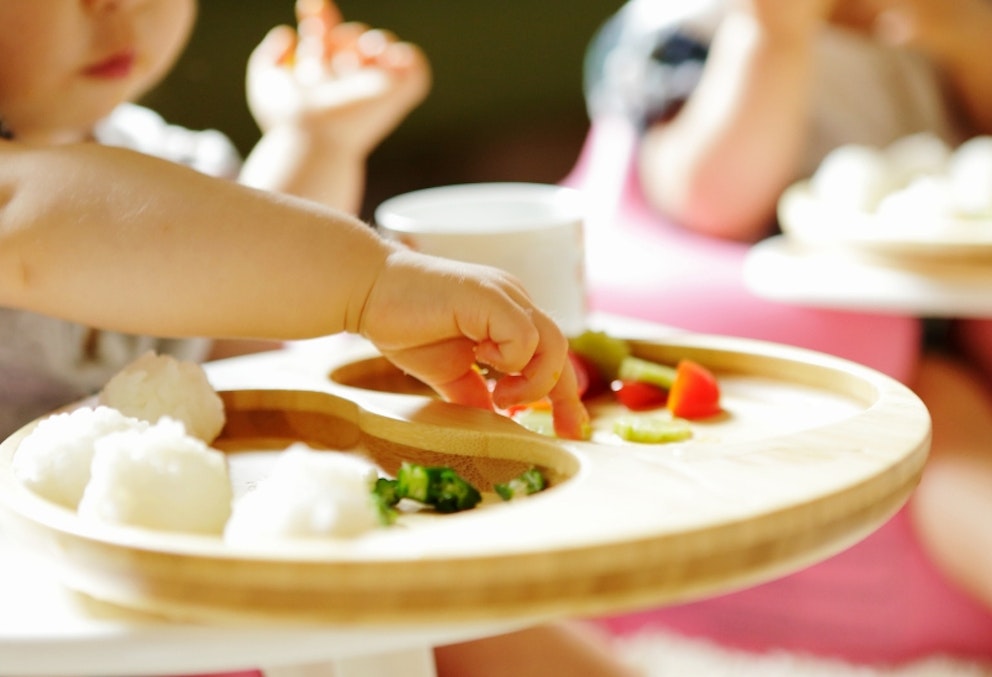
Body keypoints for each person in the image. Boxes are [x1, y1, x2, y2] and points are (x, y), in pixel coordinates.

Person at [0, 1, 639, 675]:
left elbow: (227, 314)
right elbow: (34, 218)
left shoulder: (156, 155)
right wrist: (373, 284)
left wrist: (315, 143)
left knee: (452, 602)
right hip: (39, 624)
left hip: (174, 559)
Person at [573, 0, 992, 672]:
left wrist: (968, 42)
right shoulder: (698, 31)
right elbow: (707, 199)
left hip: (950, 293)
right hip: (816, 332)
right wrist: (775, 33)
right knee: (945, 421)